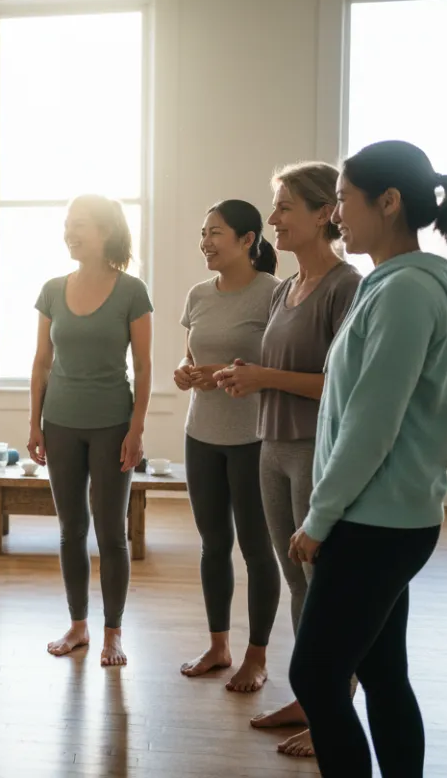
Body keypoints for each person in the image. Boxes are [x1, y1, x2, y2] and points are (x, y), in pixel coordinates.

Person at [287, 140, 447, 777]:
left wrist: (318, 518)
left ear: (389, 203)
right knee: (382, 673)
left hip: (377, 523)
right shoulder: (391, 285)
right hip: (386, 518)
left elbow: (371, 424)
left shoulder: (403, 295)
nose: (337, 215)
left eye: (343, 199)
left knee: (314, 677)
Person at [223, 162, 360, 758]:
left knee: (321, 584)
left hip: (313, 450)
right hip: (271, 446)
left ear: (324, 212)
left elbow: (339, 383)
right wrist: (238, 379)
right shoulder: (285, 286)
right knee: (296, 581)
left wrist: (264, 377)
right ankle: (312, 697)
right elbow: (276, 372)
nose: (272, 218)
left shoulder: (344, 286)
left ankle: (333, 711)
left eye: (282, 207)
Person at [26, 194, 153, 668]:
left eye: (79, 224)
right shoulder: (52, 290)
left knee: (111, 532)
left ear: (106, 232)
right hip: (60, 422)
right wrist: (33, 423)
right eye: (67, 224)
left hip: (112, 423)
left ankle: (113, 633)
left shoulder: (132, 291)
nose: (70, 231)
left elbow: (143, 367)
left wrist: (136, 429)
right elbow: (41, 362)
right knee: (70, 528)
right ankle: (78, 625)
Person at [175, 200, 281, 692]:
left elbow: (276, 369)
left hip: (253, 439)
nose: (206, 242)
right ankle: (219, 646)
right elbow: (195, 355)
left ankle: (256, 656)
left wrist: (230, 377)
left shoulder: (273, 294)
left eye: (215, 232)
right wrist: (187, 373)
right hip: (202, 437)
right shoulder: (198, 294)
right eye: (202, 233)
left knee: (258, 549)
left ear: (248, 240)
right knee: (213, 545)